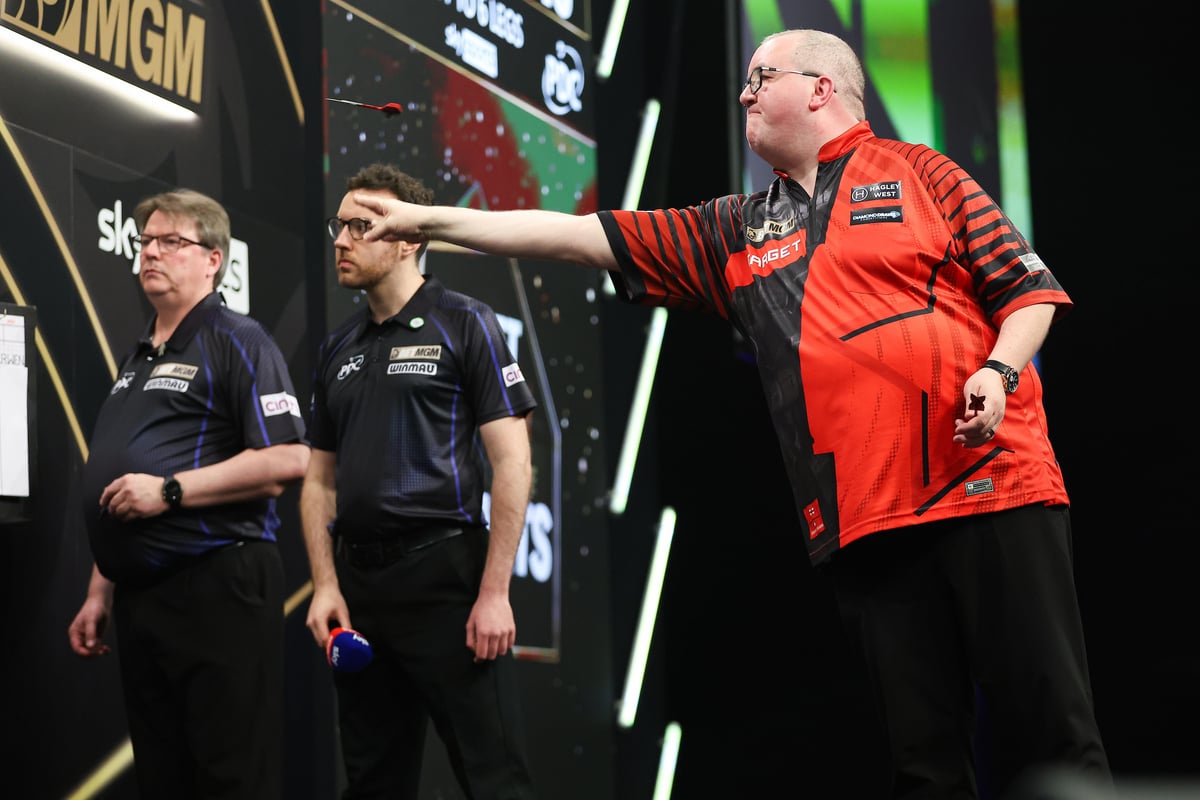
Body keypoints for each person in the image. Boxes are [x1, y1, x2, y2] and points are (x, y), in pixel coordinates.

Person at [350, 29, 1113, 800]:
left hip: (991, 486)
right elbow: (582, 236)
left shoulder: (921, 171)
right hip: (867, 523)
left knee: (1052, 728)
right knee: (923, 765)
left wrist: (998, 368)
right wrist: (428, 222)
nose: (743, 93)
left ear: (820, 88)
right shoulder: (736, 228)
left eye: (761, 77)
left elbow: (1026, 292)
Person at [300, 163, 539, 799]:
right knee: (372, 784)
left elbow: (513, 462)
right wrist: (326, 585)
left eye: (362, 225)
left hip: (446, 584)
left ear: (409, 238)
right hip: (361, 591)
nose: (342, 240)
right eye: (339, 224)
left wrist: (494, 593)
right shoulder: (337, 349)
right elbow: (318, 482)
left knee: (494, 778)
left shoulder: (466, 322)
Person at [66, 189, 310, 799]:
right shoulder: (137, 358)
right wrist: (101, 589)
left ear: (213, 259)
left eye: (171, 241)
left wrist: (170, 491)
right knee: (162, 778)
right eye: (146, 240)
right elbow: (119, 484)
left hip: (219, 584)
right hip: (144, 598)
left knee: (230, 777)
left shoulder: (240, 341)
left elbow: (288, 457)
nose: (151, 251)